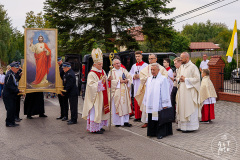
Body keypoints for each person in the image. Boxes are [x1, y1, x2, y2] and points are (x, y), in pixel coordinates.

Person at [135, 53, 168, 128]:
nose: (150, 60)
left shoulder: (161, 68)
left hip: (157, 92)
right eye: (149, 59)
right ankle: (147, 121)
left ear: (156, 59)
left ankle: (157, 121)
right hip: (148, 91)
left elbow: (165, 77)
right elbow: (142, 77)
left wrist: (156, 79)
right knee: (147, 105)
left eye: (152, 58)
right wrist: (148, 78)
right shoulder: (146, 68)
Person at [82, 48, 110, 134]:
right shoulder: (92, 73)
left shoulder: (102, 71)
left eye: (101, 64)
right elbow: (90, 85)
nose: (101, 66)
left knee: (101, 111)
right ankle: (94, 128)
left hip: (102, 95)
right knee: (95, 112)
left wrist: (108, 79)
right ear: (95, 64)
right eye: (99, 64)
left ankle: (100, 126)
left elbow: (105, 81)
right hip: (95, 97)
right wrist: (99, 83)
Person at [144, 63, 172, 139]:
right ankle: (152, 132)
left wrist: (165, 104)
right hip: (151, 102)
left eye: (154, 70)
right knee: (151, 117)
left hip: (159, 103)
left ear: (158, 70)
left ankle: (160, 133)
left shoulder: (163, 79)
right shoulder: (149, 79)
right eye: (151, 70)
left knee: (159, 118)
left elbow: (165, 91)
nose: (152, 71)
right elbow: (147, 91)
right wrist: (146, 100)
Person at [176, 52, 201, 133]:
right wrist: (179, 79)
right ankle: (181, 126)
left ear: (187, 58)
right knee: (182, 107)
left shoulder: (193, 67)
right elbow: (177, 77)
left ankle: (190, 127)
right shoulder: (181, 67)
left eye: (182, 58)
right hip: (182, 91)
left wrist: (186, 79)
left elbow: (197, 79)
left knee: (188, 107)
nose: (180, 59)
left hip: (189, 92)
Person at [108, 59, 132, 127]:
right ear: (113, 65)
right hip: (116, 92)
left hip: (124, 91)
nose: (118, 65)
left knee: (125, 106)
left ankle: (125, 121)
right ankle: (117, 122)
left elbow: (130, 77)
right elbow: (110, 82)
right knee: (117, 107)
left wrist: (127, 80)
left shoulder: (123, 70)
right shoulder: (111, 72)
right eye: (116, 63)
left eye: (119, 63)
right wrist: (119, 81)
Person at [130, 51, 148, 122]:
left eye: (139, 56)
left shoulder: (145, 65)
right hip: (136, 85)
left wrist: (139, 76)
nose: (137, 58)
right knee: (136, 100)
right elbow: (130, 74)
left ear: (141, 56)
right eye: (136, 56)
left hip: (142, 85)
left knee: (142, 100)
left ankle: (142, 116)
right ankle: (137, 116)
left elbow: (147, 75)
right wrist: (133, 76)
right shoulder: (134, 66)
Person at [2, 62, 22, 127]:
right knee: (10, 109)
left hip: (11, 95)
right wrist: (17, 90)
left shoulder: (13, 74)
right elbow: (9, 85)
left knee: (13, 109)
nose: (18, 69)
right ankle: (9, 123)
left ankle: (12, 122)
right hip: (8, 95)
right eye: (16, 68)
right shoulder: (9, 74)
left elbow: (15, 82)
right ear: (12, 68)